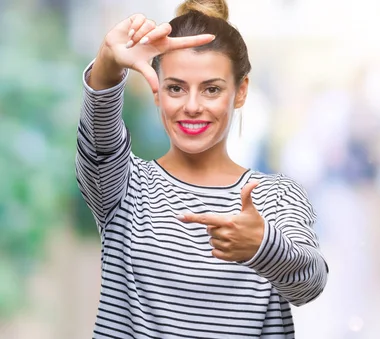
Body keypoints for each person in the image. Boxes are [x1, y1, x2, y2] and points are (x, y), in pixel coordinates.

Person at [75, 0, 329, 337]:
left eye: (211, 89)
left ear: (240, 92)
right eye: (176, 88)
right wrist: (107, 64)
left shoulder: (277, 196)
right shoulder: (125, 186)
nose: (192, 106)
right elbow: (99, 141)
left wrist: (263, 246)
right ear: (157, 91)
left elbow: (309, 287)